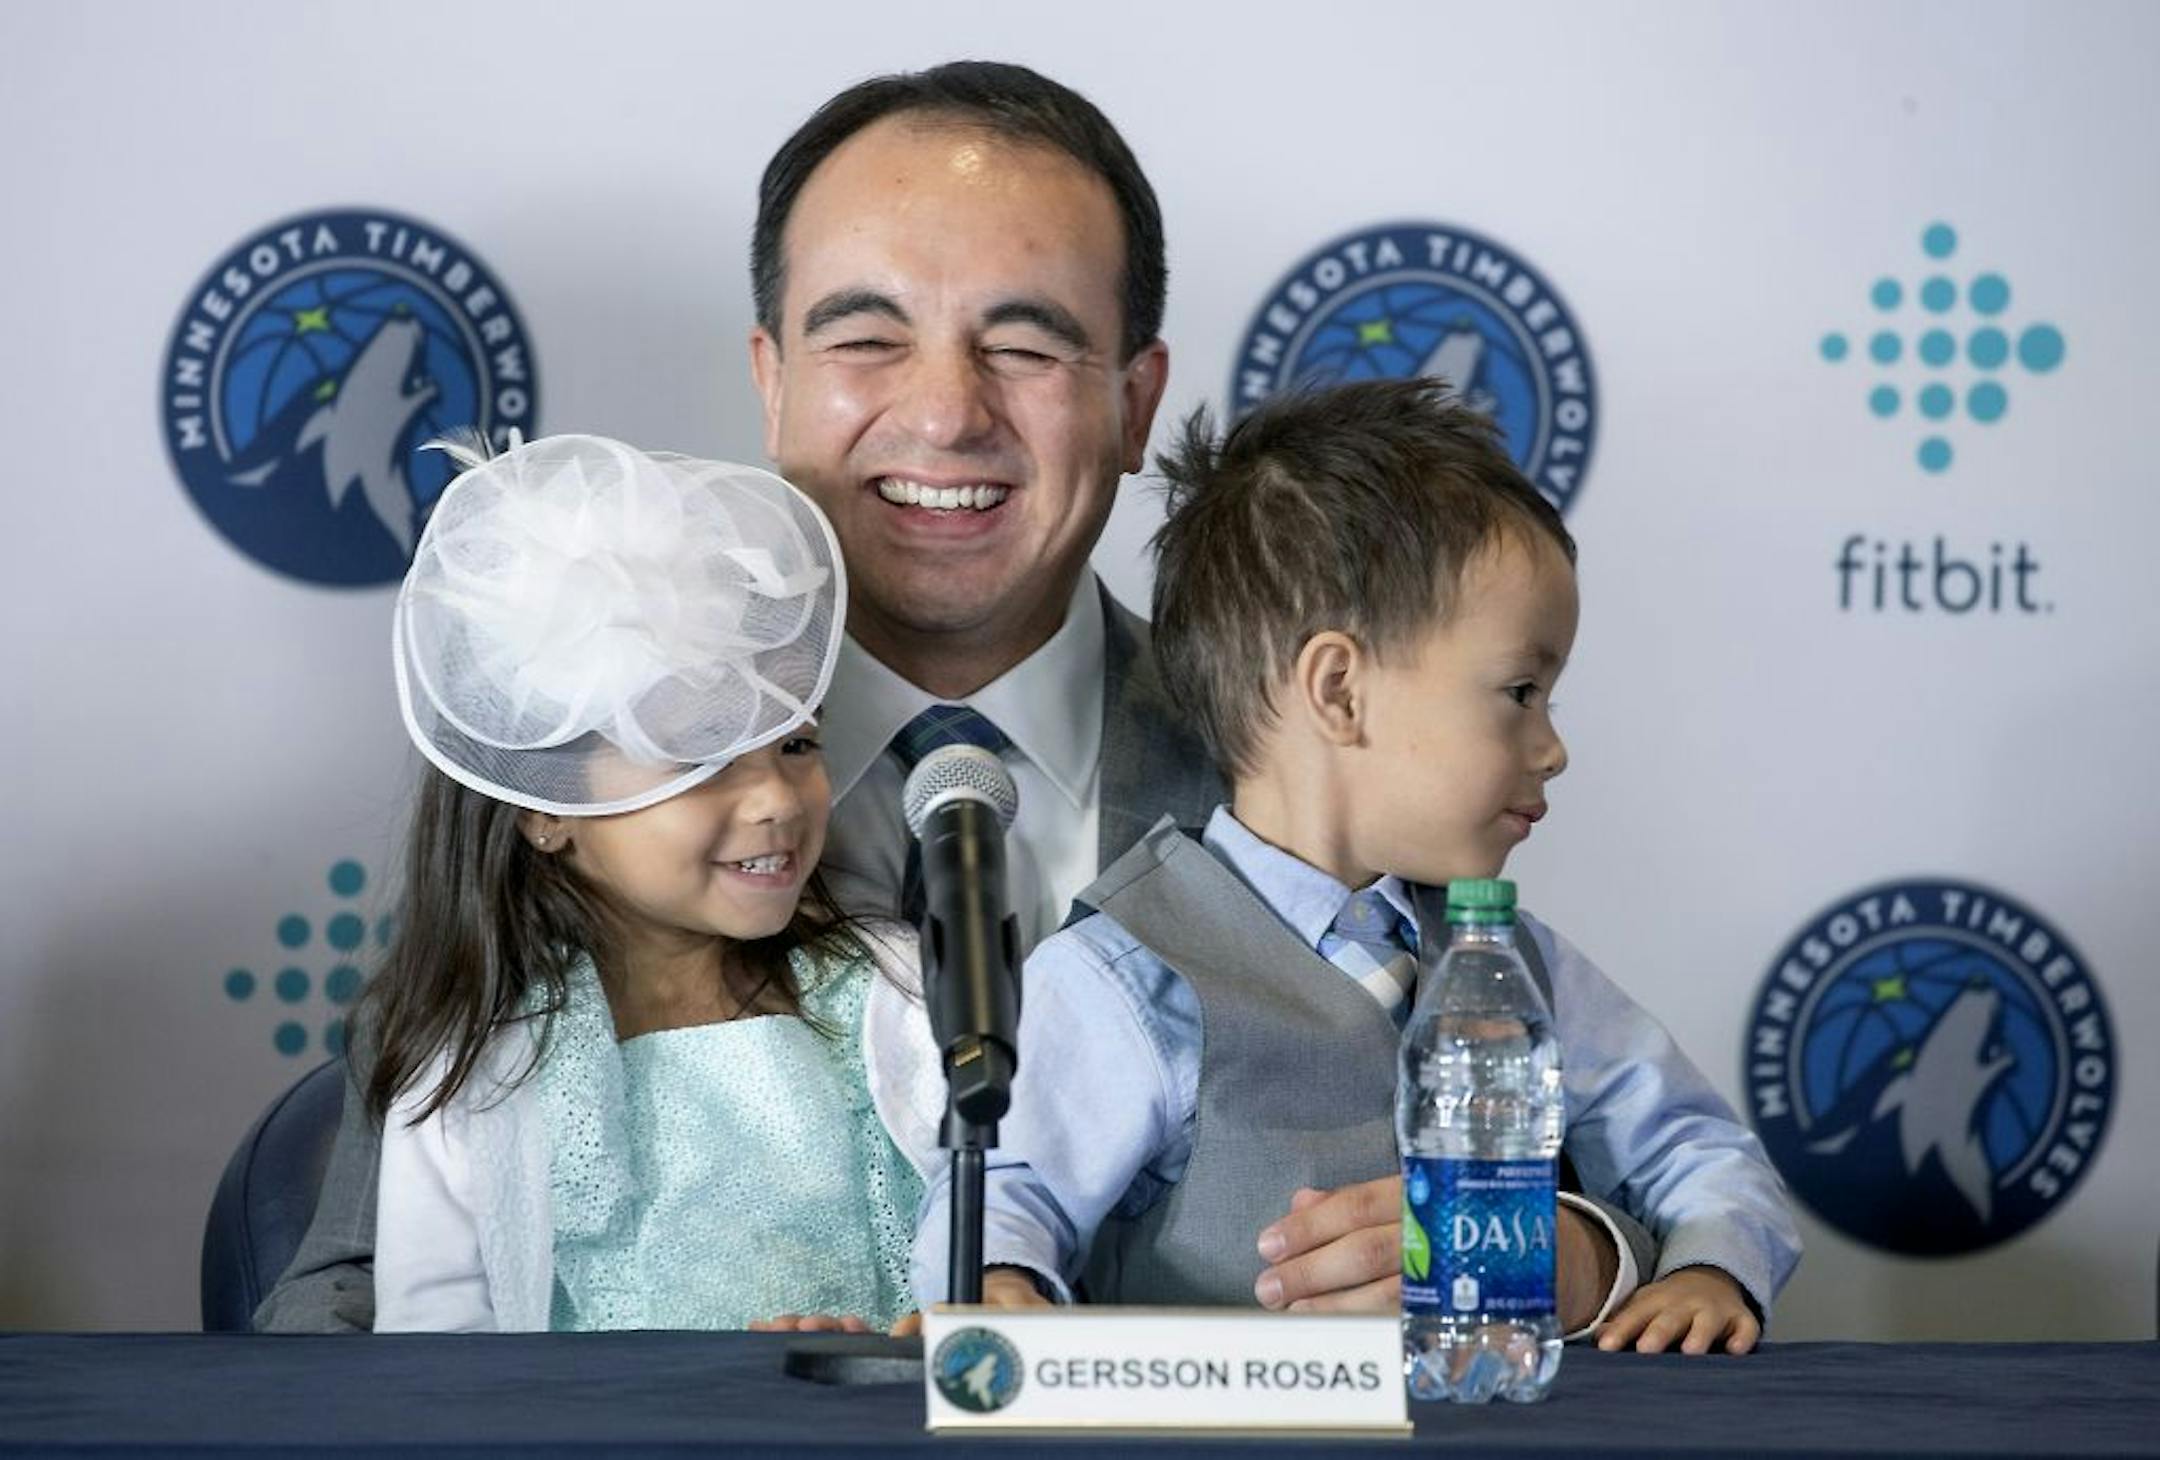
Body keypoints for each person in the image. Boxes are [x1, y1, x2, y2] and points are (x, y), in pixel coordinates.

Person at [255, 61, 1641, 1330]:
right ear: (770, 379)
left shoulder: (1311, 755)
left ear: (1136, 401)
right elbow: (355, 1306)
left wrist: (1555, 1255)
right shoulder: (592, 778)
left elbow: (1606, 1167)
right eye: (866, 338)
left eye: (1026, 347)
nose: (945, 413)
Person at [928, 378, 1802, 1353]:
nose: (1552, 747)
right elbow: (1001, 1194)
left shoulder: (1515, 964)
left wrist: (1695, 1262)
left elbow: (1700, 1148)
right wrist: (1001, 1281)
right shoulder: (1129, 976)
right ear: (1340, 688)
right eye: (1521, 689)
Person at [364, 432, 930, 1332]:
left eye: (796, 742)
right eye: (699, 757)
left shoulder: (896, 998)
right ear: (544, 804)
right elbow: (434, 1365)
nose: (776, 800)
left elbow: (990, 1253)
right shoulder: (476, 1071)